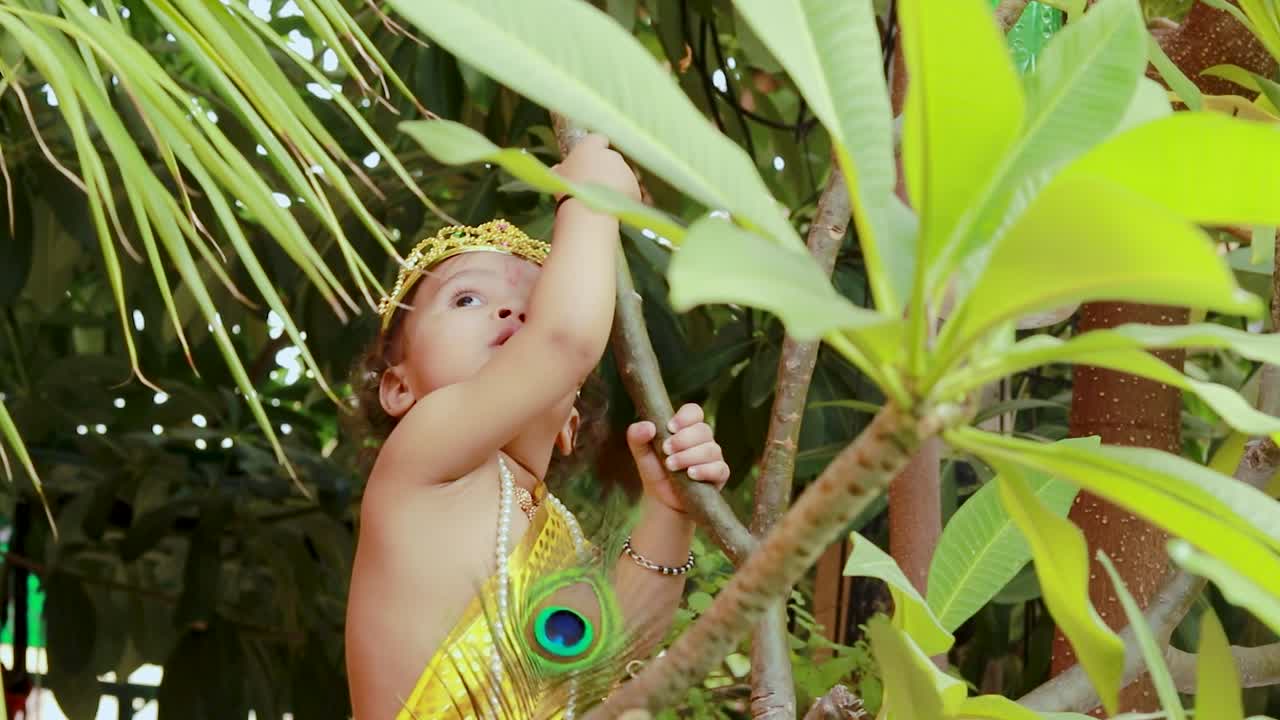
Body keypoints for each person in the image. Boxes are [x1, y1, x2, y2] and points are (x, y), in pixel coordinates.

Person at [344, 135, 731, 719]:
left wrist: (670, 514)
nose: (513, 312)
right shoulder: (421, 458)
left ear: (569, 422)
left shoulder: (555, 528)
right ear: (401, 388)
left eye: (535, 302)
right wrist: (589, 201)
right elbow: (563, 340)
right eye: (468, 298)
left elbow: (614, 651)